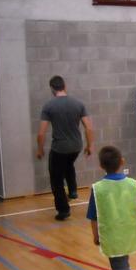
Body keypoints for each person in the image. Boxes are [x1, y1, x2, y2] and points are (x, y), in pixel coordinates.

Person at [36, 75, 94, 220]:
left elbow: (41, 133)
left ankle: (63, 210)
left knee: (56, 179)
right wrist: (90, 146)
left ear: (52, 89)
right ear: (65, 86)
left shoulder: (48, 106)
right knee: (68, 164)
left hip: (59, 148)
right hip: (76, 146)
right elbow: (89, 128)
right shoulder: (78, 104)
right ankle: (73, 190)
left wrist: (40, 149)